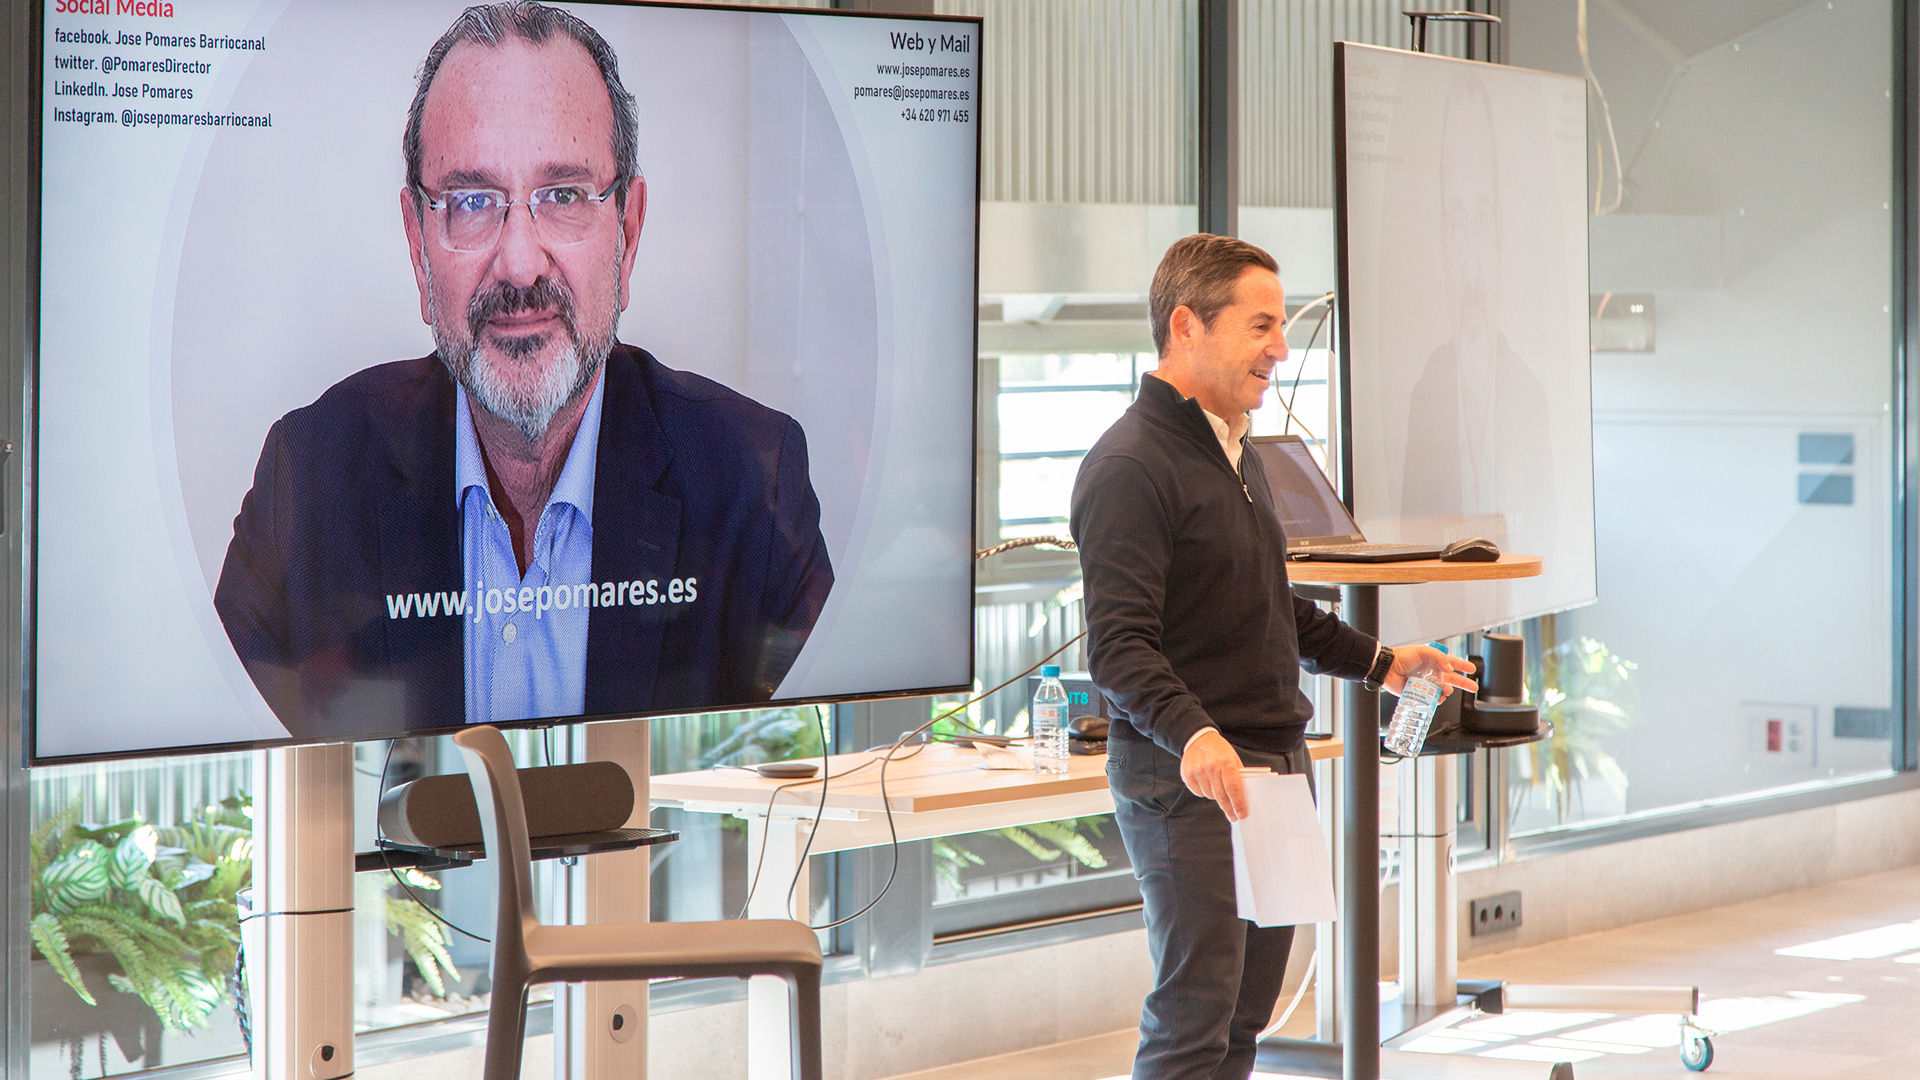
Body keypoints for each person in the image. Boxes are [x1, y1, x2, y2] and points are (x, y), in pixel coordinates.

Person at [214, 1, 833, 738]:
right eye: (472, 201)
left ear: (627, 236)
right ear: (418, 245)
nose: (517, 263)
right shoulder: (307, 478)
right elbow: (229, 742)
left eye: (564, 195)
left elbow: (813, 771)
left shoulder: (752, 483)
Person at [1071, 234, 1475, 1080]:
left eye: (1281, 325)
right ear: (1187, 327)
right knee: (1195, 1016)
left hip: (1274, 771)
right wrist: (1193, 736)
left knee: (1244, 1019)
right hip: (1194, 775)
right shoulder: (1129, 466)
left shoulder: (1235, 451)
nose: (1282, 348)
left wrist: (1382, 663)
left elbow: (1262, 606)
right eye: (1261, 325)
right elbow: (1118, 644)